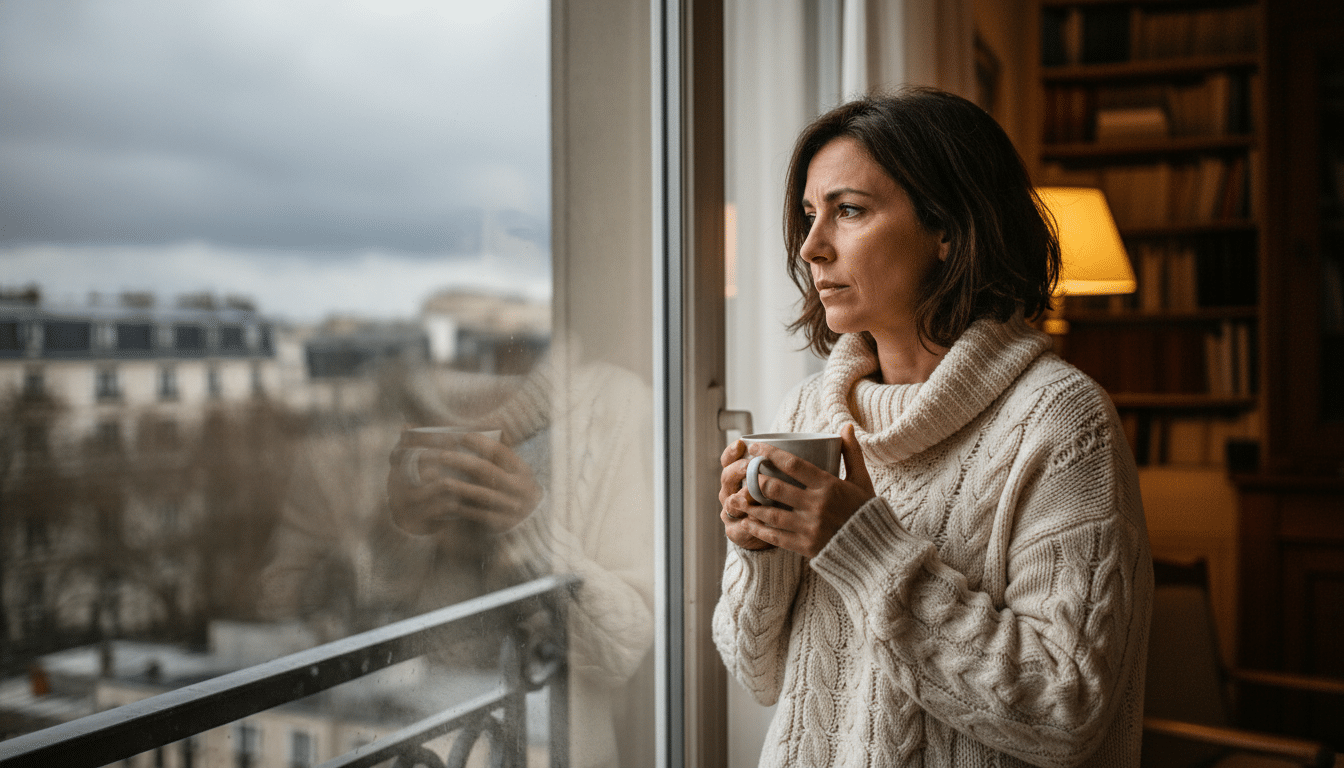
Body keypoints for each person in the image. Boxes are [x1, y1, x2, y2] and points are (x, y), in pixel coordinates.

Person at [712, 87, 1152, 767]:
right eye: (807, 215)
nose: (810, 248)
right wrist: (763, 553)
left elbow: (1067, 712)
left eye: (848, 211)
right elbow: (757, 673)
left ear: (948, 229)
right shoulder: (805, 416)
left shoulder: (1062, 424)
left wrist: (861, 547)